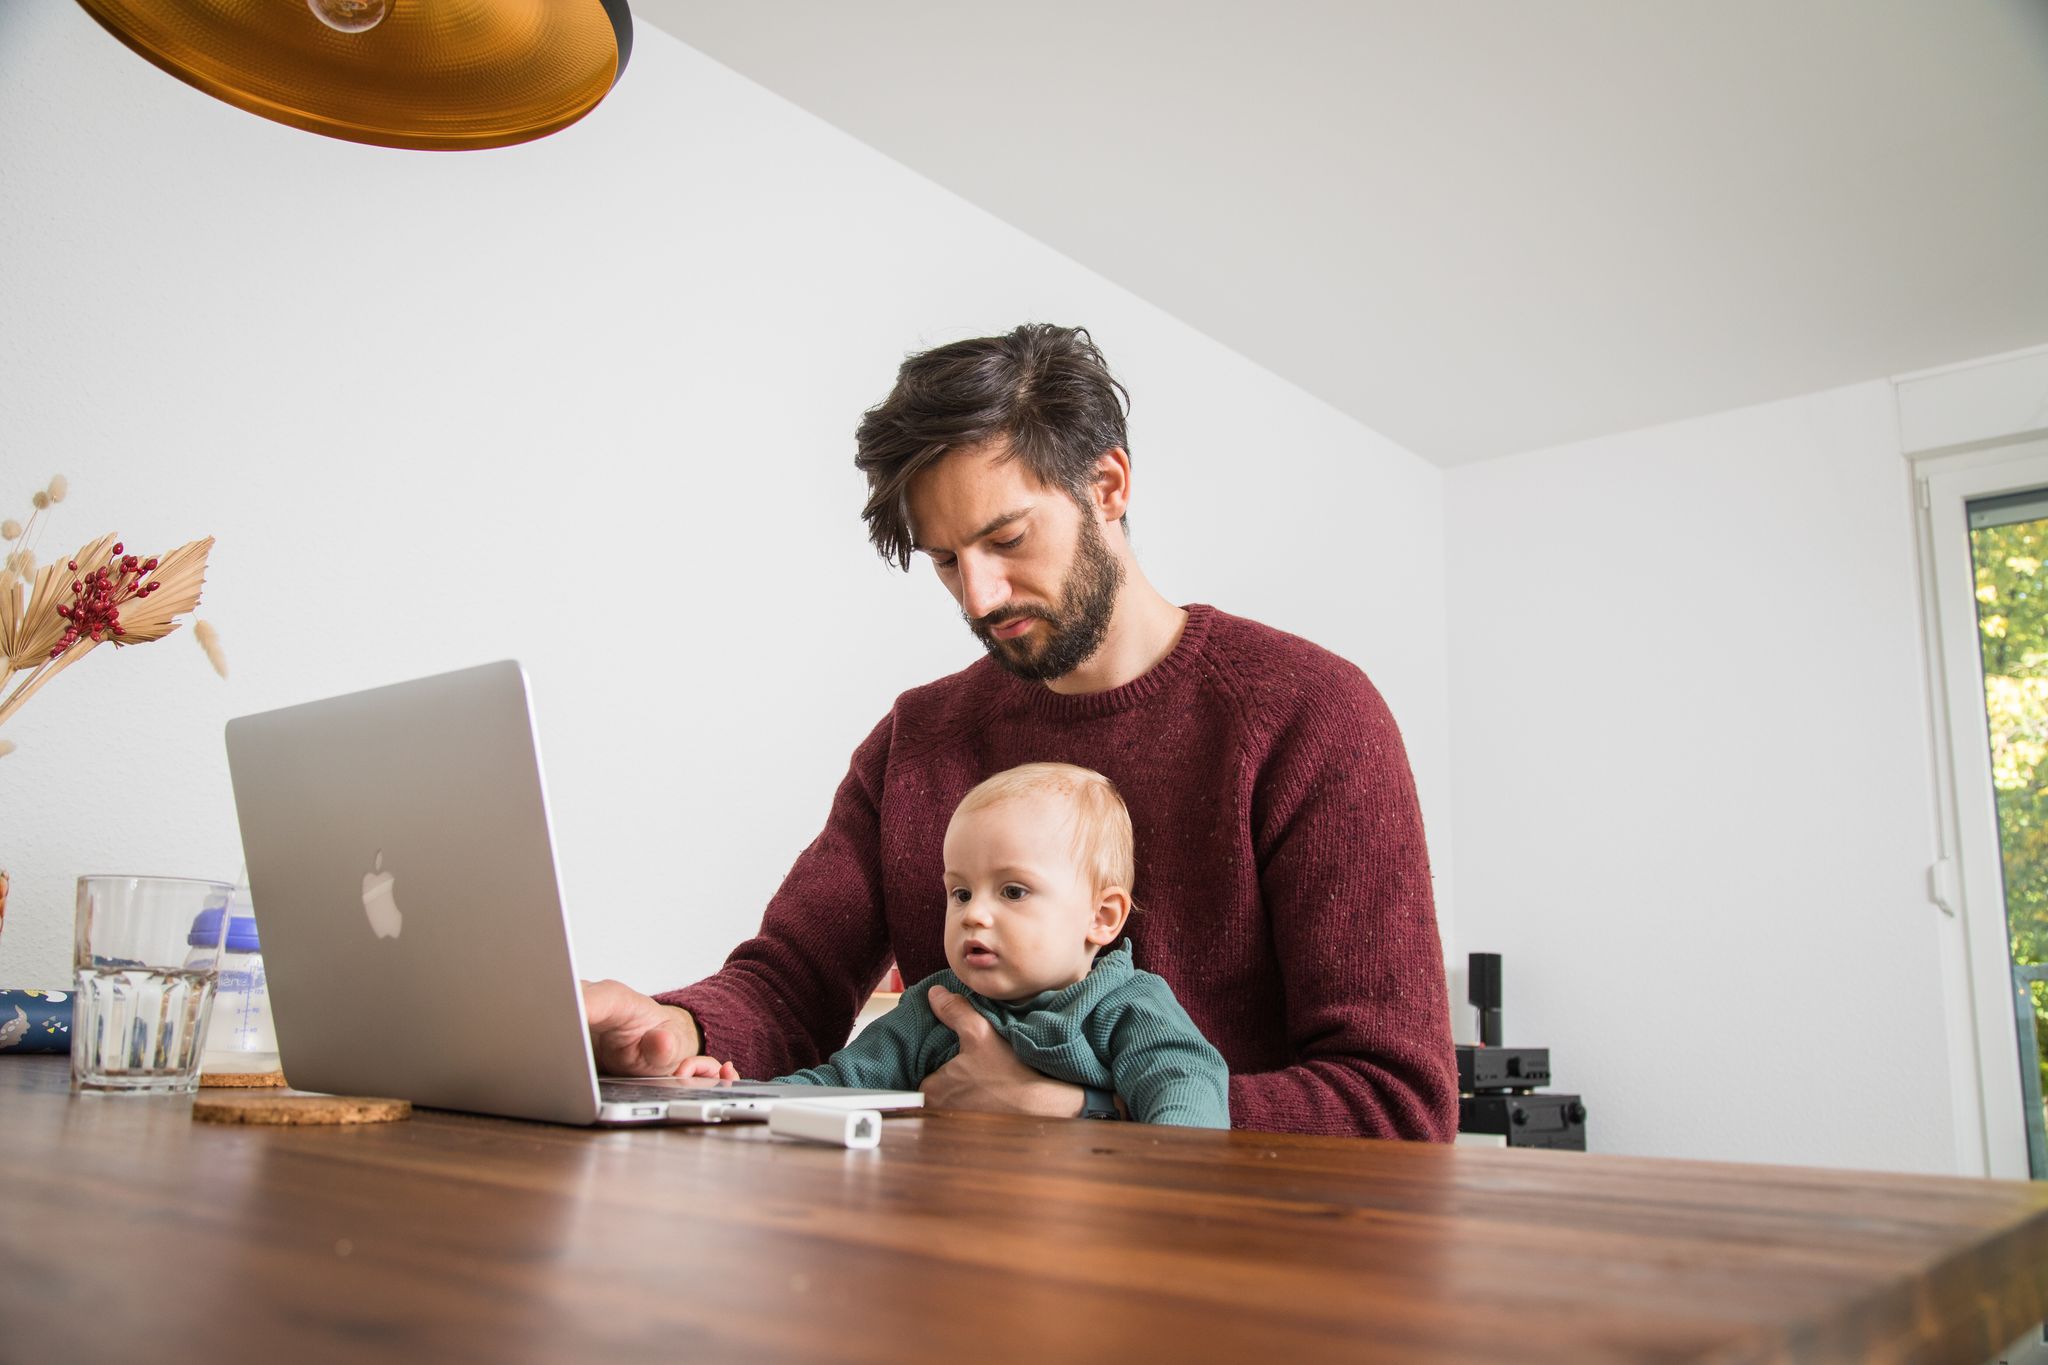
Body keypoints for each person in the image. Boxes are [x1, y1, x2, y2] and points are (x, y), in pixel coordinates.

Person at [583, 323, 1458, 1139]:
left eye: (1006, 539)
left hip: (1227, 1267)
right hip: (962, 1263)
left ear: (1108, 486)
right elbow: (790, 980)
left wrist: (1077, 1112)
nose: (979, 596)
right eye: (947, 561)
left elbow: (1398, 1104)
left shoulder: (1309, 714)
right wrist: (676, 1027)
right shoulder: (916, 739)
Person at [684, 762, 1231, 1128]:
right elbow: (839, 1085)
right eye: (961, 892)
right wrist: (738, 1097)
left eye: (1013, 891)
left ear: (1102, 917)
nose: (975, 914)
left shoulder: (1129, 1006)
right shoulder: (933, 1010)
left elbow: (1187, 1093)